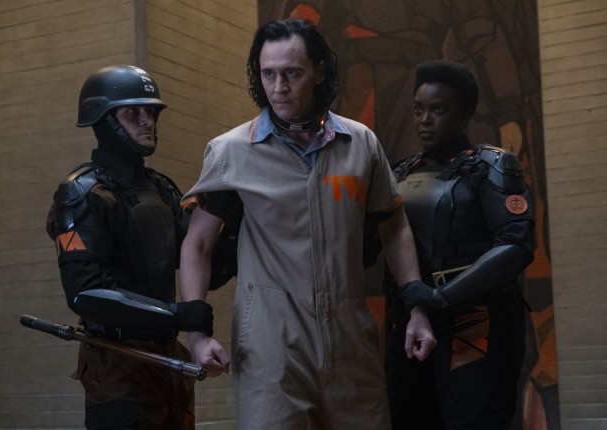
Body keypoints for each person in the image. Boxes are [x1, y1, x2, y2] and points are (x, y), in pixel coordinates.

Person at [178, 18, 436, 430]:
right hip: (270, 343)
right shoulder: (231, 152)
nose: (279, 86)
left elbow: (395, 227)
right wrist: (196, 334)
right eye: (268, 74)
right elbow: (197, 246)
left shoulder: (361, 144)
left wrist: (417, 307)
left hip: (351, 338)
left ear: (319, 71)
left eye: (292, 73)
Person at [46, 65, 221, 430]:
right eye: (133, 113)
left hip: (167, 363)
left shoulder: (161, 187)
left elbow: (206, 263)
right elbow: (84, 292)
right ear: (103, 119)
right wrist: (177, 315)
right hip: (116, 368)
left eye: (152, 112)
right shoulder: (82, 192)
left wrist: (231, 219)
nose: (148, 121)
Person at [384, 60, 535, 430]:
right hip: (410, 321)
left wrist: (442, 297)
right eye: (418, 109)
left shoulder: (492, 166)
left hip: (475, 322)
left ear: (465, 115)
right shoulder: (399, 172)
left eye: (438, 109)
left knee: (475, 419)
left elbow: (516, 244)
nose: (425, 120)